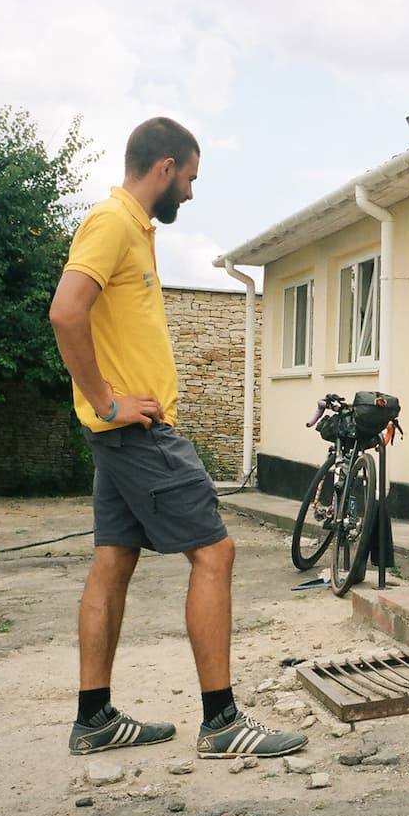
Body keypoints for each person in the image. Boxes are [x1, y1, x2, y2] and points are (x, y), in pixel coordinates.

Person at [49, 117, 306, 760]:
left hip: (121, 435)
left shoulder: (134, 230)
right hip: (136, 434)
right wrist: (106, 401)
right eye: (190, 178)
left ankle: (95, 718)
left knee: (113, 560)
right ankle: (222, 722)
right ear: (164, 166)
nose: (191, 193)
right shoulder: (112, 223)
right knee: (215, 555)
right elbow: (65, 311)